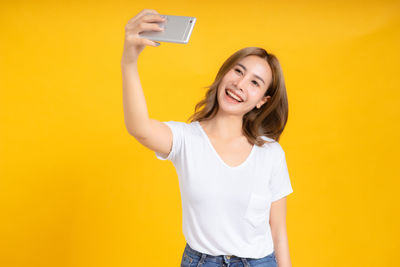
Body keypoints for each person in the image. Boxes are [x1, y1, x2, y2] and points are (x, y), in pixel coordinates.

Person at [121, 9, 294, 267]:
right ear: (224, 73)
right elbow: (140, 128)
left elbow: (279, 233)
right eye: (238, 71)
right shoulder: (186, 140)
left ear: (262, 102)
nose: (240, 83)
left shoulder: (270, 153)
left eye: (255, 83)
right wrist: (129, 60)